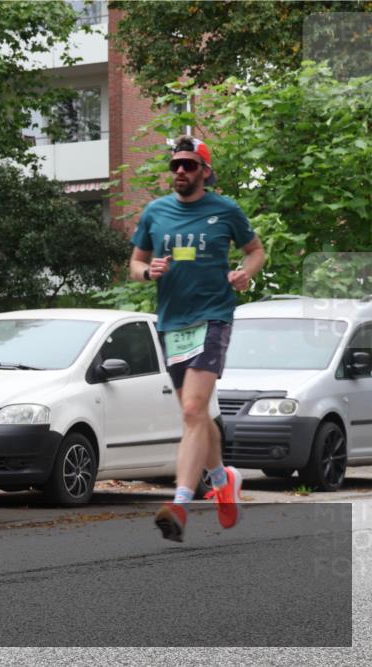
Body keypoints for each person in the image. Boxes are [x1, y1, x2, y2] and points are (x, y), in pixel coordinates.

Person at [129, 135, 266, 542]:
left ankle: (181, 503)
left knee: (191, 410)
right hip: (173, 323)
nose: (181, 172)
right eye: (176, 166)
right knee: (198, 416)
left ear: (205, 171)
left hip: (213, 318)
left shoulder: (225, 210)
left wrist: (246, 272)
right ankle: (224, 480)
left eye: (189, 165)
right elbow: (134, 264)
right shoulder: (156, 213)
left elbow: (256, 251)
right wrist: (147, 271)